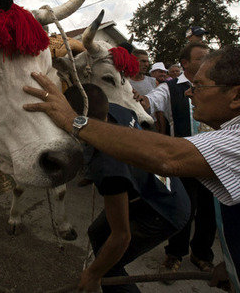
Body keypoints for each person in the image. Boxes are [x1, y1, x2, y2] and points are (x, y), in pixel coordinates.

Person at [24, 44, 240, 293]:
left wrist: (73, 121)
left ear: (239, 96)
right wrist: (238, 265)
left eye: (199, 86)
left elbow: (168, 156)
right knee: (100, 233)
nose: (188, 94)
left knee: (109, 255)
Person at [68, 84, 190, 293]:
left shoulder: (107, 166)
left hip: (164, 211)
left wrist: (93, 274)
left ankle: (109, 279)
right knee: (97, 233)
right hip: (157, 188)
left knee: (108, 269)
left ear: (77, 119)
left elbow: (121, 236)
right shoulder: (118, 110)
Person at [137, 42, 216, 277]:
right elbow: (151, 102)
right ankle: (175, 254)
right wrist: (141, 101)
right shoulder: (170, 88)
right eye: (201, 58)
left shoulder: (216, 85)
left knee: (210, 211)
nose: (207, 61)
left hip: (214, 160)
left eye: (209, 57)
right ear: (185, 64)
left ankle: (202, 254)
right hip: (184, 161)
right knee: (184, 209)